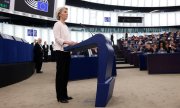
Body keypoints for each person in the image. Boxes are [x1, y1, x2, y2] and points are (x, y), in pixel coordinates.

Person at [53, 7, 77, 103]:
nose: (67, 14)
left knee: (66, 75)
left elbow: (67, 41)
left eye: (67, 12)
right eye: (65, 12)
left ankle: (65, 95)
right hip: (60, 52)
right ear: (59, 14)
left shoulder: (66, 26)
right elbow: (57, 39)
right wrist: (68, 42)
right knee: (60, 75)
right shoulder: (57, 24)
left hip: (67, 52)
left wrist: (73, 43)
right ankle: (60, 97)